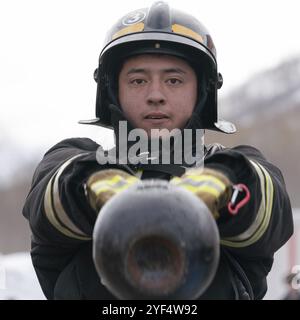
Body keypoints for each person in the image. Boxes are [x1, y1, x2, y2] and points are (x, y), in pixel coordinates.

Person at [23, 1, 293, 300]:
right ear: (112, 90)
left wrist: (225, 187)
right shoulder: (72, 159)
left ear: (202, 90)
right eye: (138, 80)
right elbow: (49, 201)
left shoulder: (242, 166)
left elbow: (269, 208)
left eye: (174, 80)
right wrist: (89, 186)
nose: (155, 95)